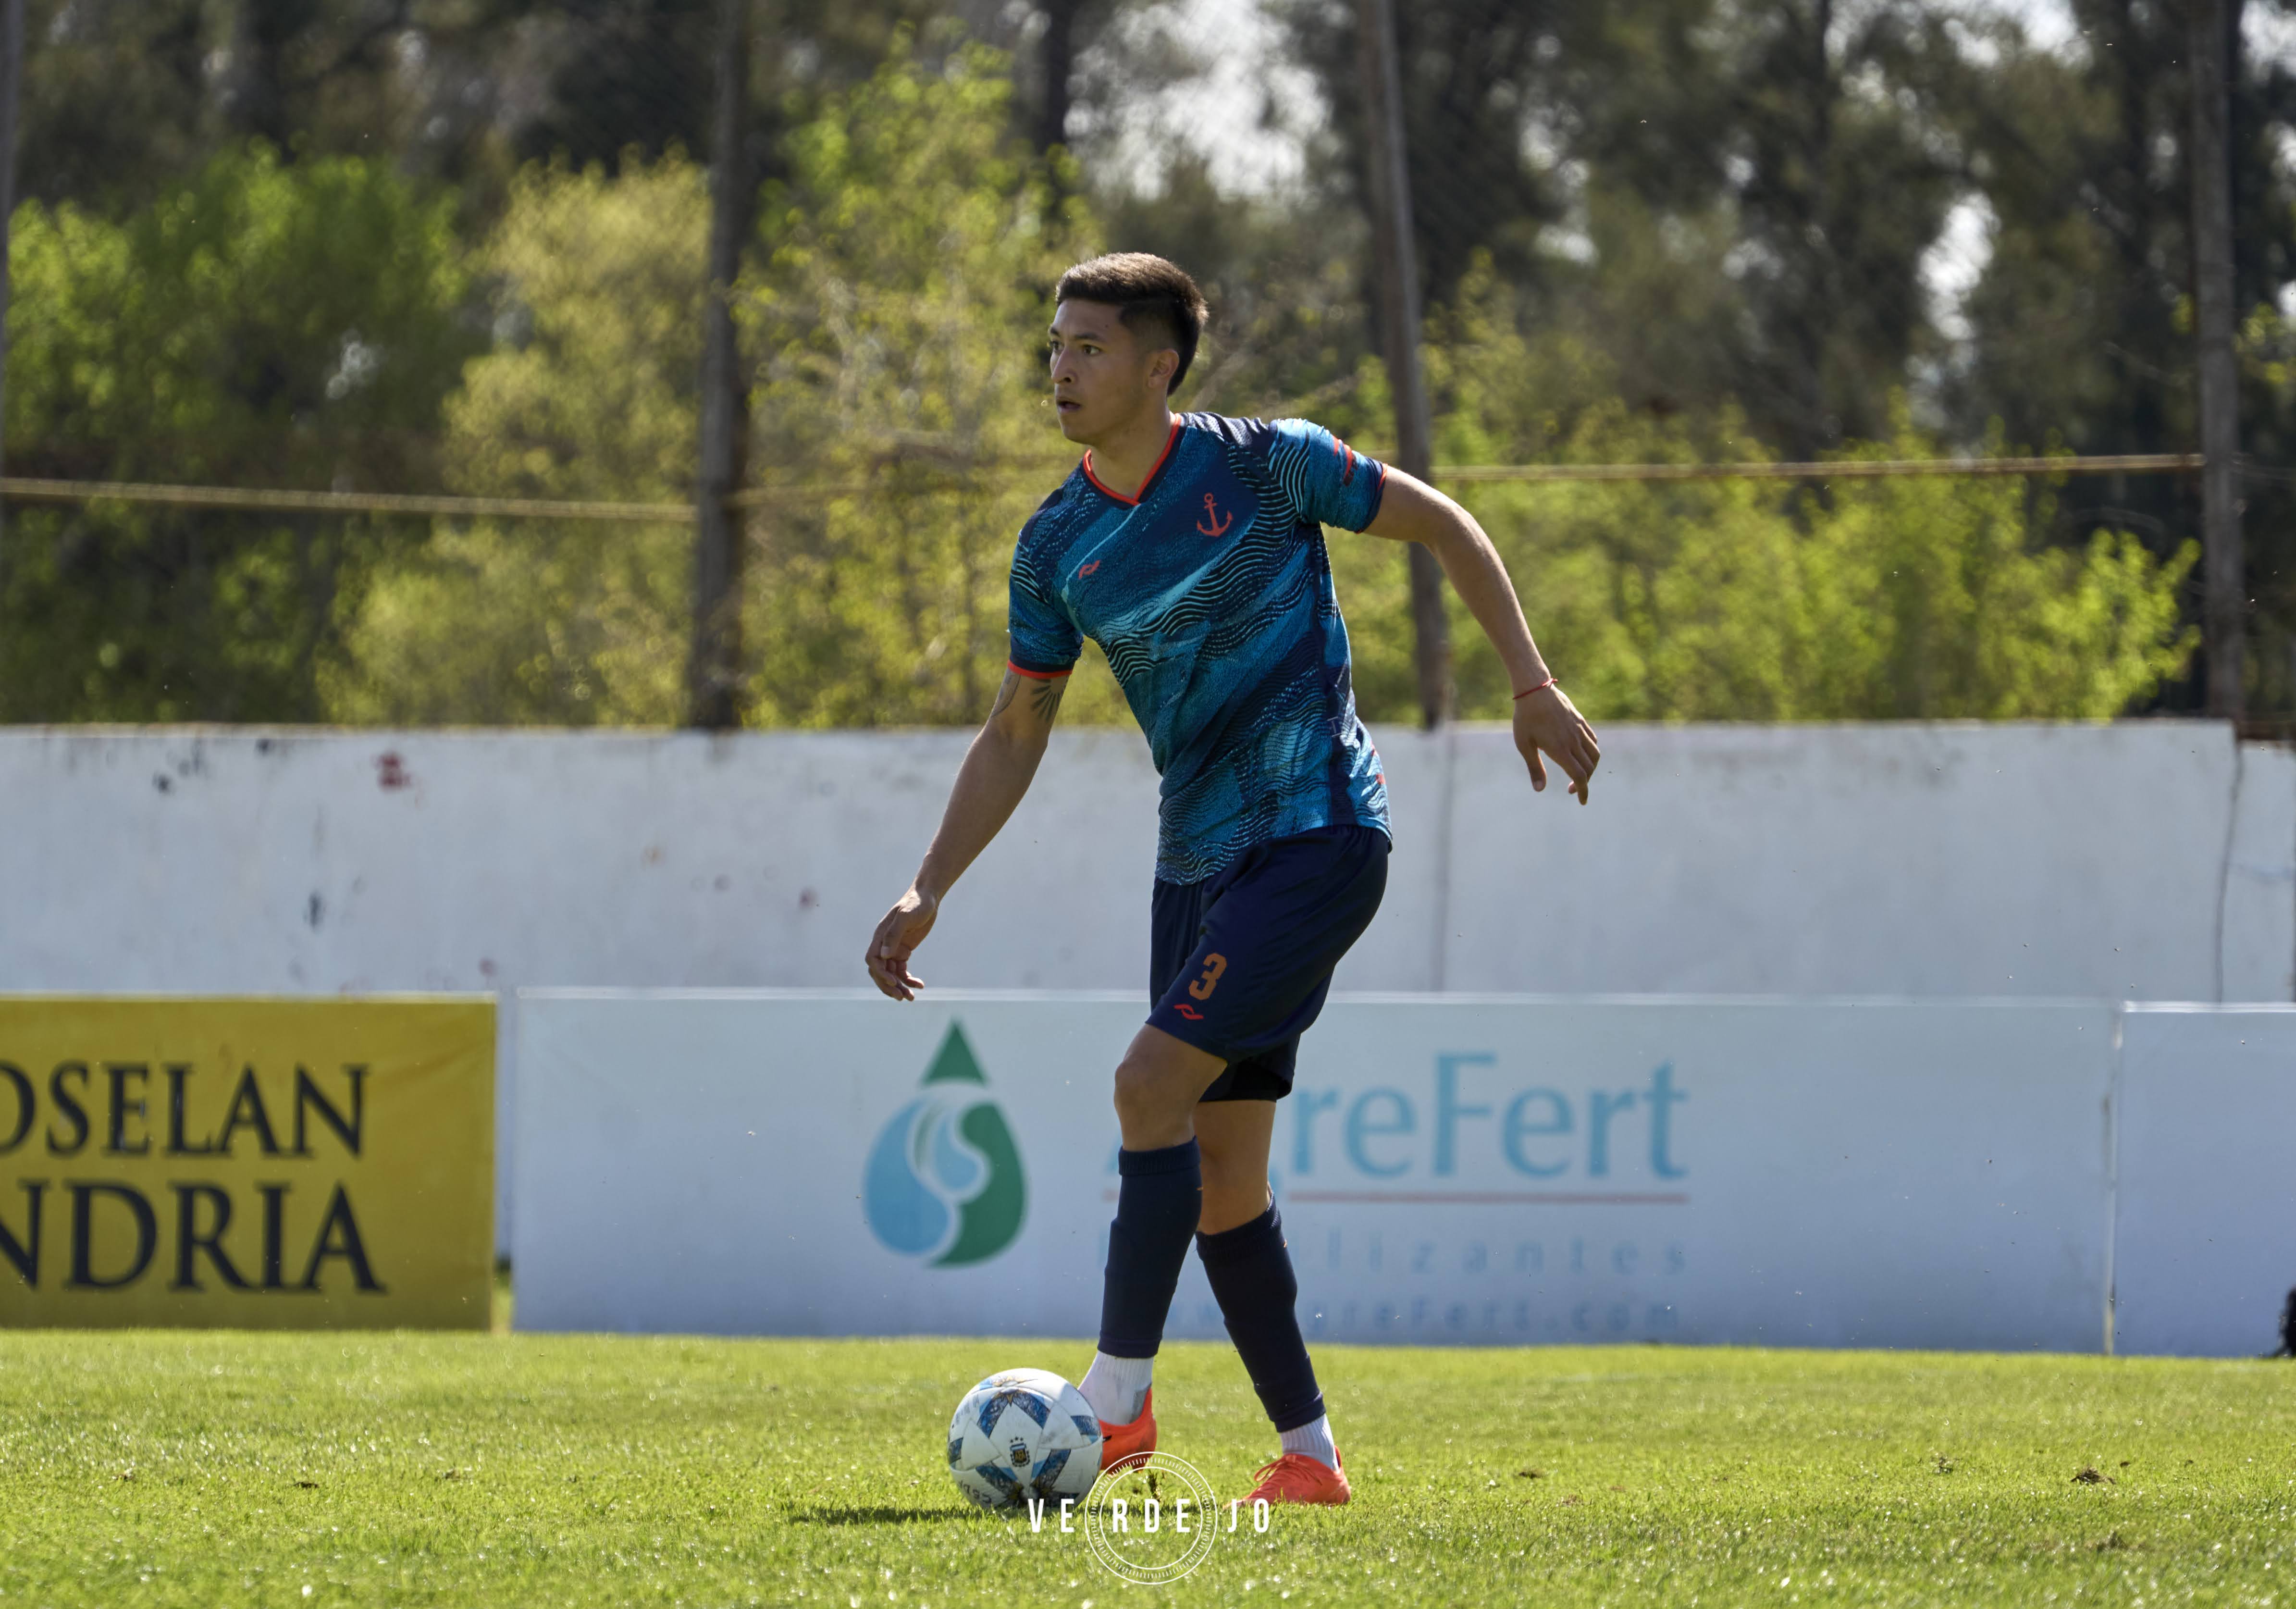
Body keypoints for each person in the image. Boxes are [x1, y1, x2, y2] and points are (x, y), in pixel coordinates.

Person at [865, 252, 1599, 1507]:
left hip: (1317, 834)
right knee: (1221, 1176)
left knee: (1144, 1082)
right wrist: (928, 883)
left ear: (1160, 366)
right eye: (1055, 344)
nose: (1062, 366)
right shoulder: (1056, 546)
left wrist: (1529, 683)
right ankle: (1308, 1457)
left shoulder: (1268, 463)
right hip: (1194, 862)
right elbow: (1013, 729)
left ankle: (1115, 1398)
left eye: (1090, 346)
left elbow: (1448, 525)